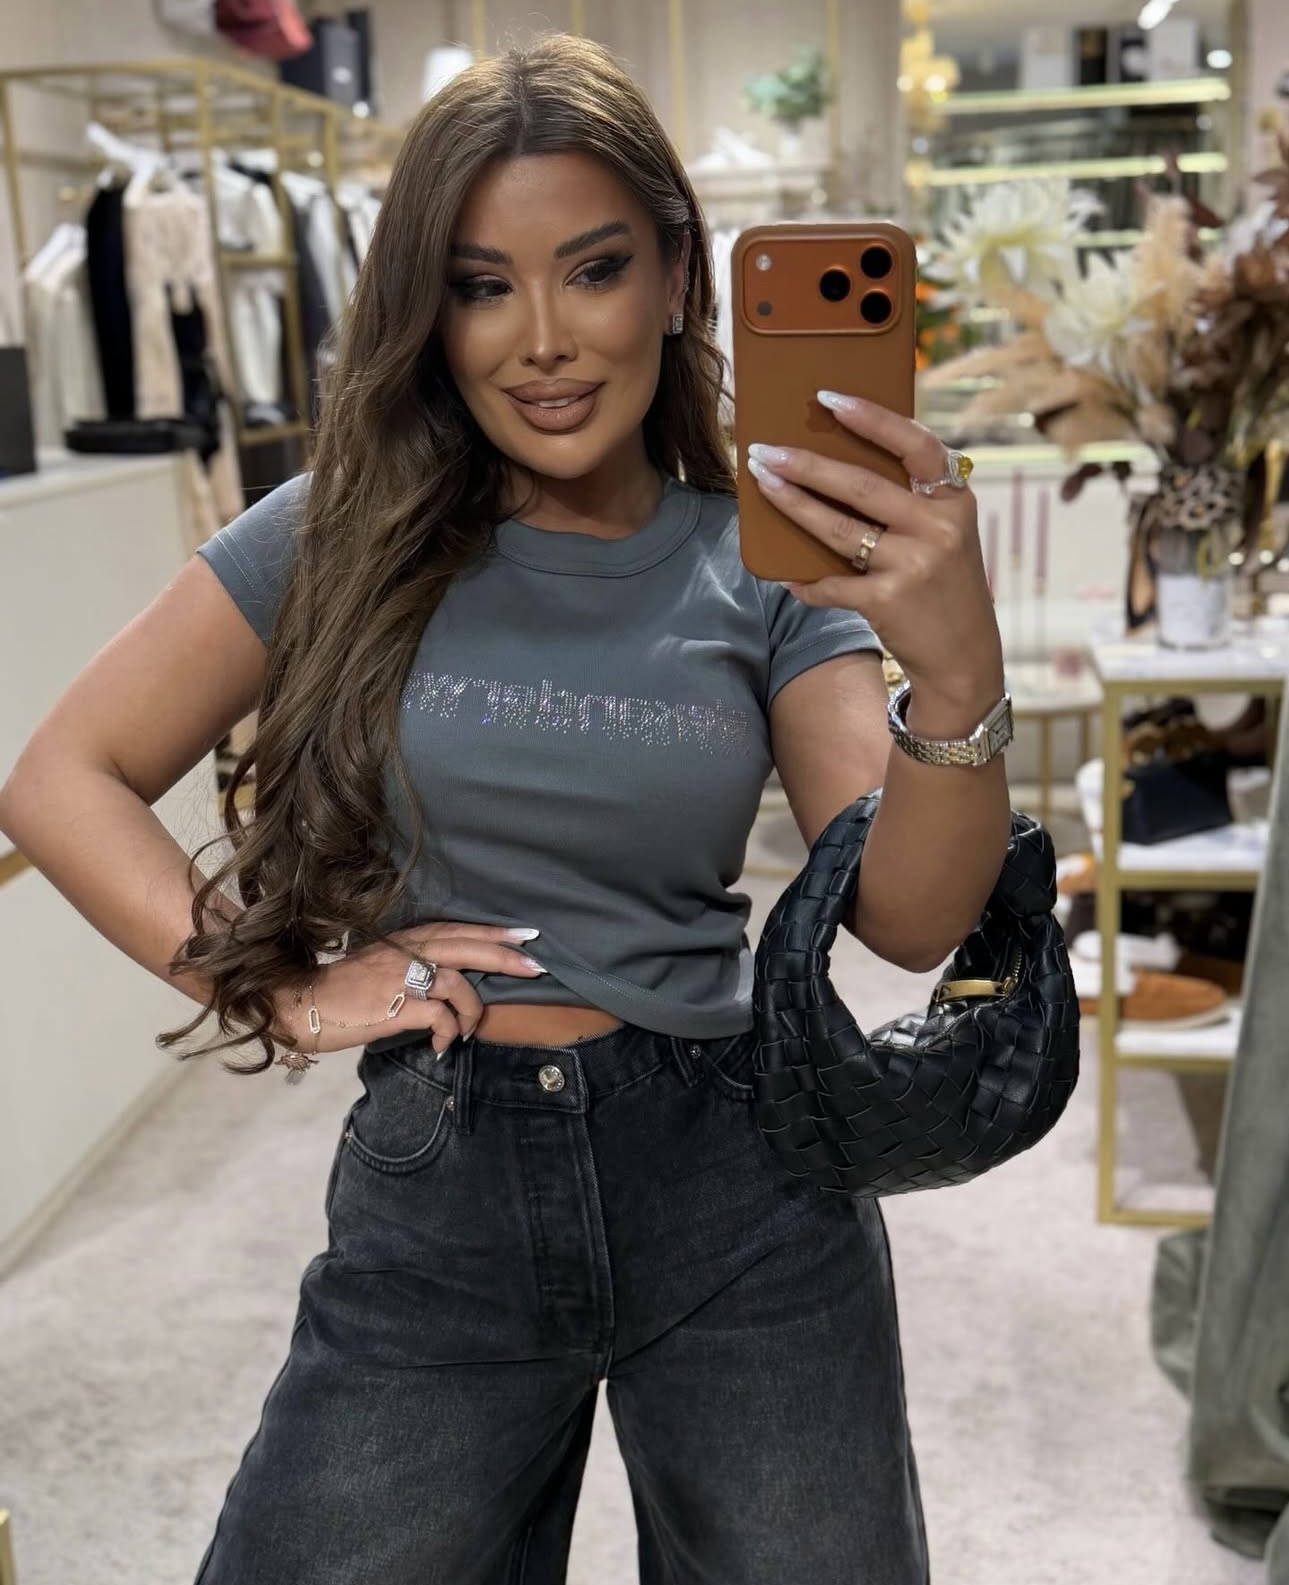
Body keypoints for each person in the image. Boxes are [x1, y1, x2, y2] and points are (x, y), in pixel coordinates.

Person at [0, 34, 1012, 1585]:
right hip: (446, 1174)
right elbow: (60, 776)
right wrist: (275, 984)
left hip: (739, 1175)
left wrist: (954, 678)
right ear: (430, 310)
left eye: (592, 270)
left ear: (674, 278)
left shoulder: (760, 562)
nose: (541, 341)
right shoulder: (334, 534)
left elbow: (908, 915)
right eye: (481, 286)